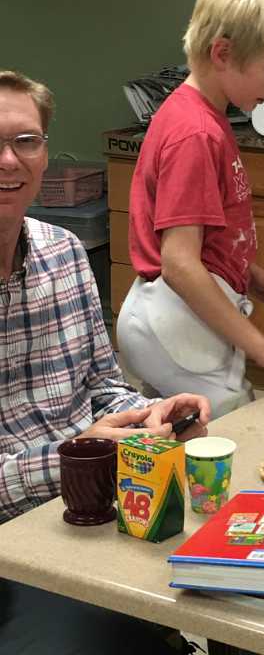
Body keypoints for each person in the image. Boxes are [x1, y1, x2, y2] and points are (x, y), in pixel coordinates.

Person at [0, 69, 211, 653]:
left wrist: (149, 415)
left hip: (97, 506)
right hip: (16, 543)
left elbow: (102, 386)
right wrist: (77, 455)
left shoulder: (64, 253)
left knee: (239, 575)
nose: (9, 161)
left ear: (46, 153)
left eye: (25, 141)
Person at [117, 0, 264, 418]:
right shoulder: (194, 133)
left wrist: (250, 275)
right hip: (172, 317)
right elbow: (179, 263)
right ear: (222, 53)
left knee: (177, 436)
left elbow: (207, 239)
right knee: (236, 427)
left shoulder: (207, 118)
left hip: (179, 315)